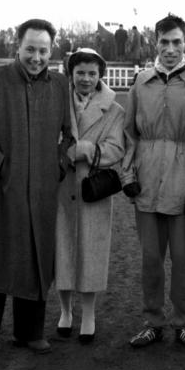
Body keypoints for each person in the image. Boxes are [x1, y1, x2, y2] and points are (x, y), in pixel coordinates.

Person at [0, 18, 74, 361]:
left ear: (50, 51)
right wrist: (1, 169)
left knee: (36, 259)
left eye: (43, 50)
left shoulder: (59, 84)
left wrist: (57, 165)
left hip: (41, 192)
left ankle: (30, 333)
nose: (36, 57)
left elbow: (68, 137)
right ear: (17, 48)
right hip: (0, 191)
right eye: (30, 49)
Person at [121, 13, 185, 350]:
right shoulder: (142, 81)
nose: (170, 49)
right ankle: (153, 321)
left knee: (182, 259)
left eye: (176, 42)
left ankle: (182, 322)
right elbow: (129, 134)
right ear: (155, 43)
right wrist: (128, 173)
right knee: (150, 259)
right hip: (147, 184)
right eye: (164, 42)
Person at [54, 48, 125, 344]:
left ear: (101, 75)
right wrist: (60, 151)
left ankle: (89, 314)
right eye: (80, 72)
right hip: (60, 188)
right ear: (71, 74)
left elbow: (117, 149)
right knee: (62, 251)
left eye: (92, 73)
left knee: (90, 253)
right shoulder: (57, 103)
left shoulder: (115, 110)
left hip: (93, 189)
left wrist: (85, 150)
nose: (86, 79)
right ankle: (65, 312)